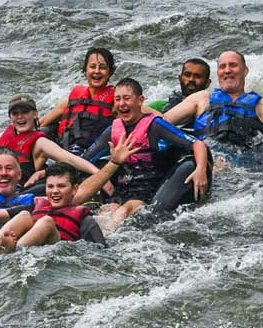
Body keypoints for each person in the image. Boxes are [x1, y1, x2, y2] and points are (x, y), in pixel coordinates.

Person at [81, 77, 210, 229]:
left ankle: (108, 246)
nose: (122, 104)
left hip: (147, 190)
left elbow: (197, 143)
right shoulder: (113, 130)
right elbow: (85, 159)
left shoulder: (155, 125)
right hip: (123, 188)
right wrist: (101, 174)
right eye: (117, 99)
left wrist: (201, 170)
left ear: (140, 100)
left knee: (122, 212)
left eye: (127, 98)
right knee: (106, 212)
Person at [0, 138, 144, 253]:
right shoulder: (37, 205)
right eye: (50, 186)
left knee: (46, 222)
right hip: (34, 245)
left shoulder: (85, 220)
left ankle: (12, 250)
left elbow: (103, 250)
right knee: (24, 215)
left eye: (61, 186)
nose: (54, 191)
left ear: (74, 190)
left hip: (58, 247)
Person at [161, 51, 263, 162]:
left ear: (245, 71)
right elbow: (162, 121)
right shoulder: (202, 98)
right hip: (207, 158)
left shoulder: (262, 106)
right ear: (218, 74)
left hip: (248, 166)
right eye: (222, 67)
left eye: (233, 65)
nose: (227, 70)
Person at [0, 93, 102, 186]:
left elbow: (69, 159)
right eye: (15, 114)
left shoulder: (40, 142)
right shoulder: (7, 134)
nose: (20, 117)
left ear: (35, 114)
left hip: (16, 191)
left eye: (25, 112)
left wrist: (98, 174)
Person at [38, 47, 118, 157]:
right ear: (85, 71)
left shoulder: (117, 101)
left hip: (91, 155)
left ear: (110, 72)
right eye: (92, 67)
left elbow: (140, 112)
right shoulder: (69, 101)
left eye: (103, 67)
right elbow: (40, 124)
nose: (97, 71)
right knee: (43, 131)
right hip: (63, 150)